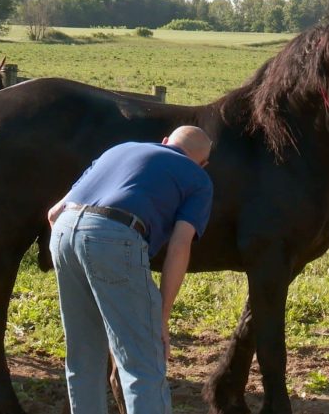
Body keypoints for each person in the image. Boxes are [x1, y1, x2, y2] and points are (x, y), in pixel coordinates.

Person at [47, 125, 213, 414]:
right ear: (203, 163)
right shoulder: (198, 178)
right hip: (115, 235)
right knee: (143, 362)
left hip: (63, 231)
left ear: (164, 142)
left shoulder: (119, 150)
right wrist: (161, 317)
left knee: (83, 357)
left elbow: (53, 212)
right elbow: (179, 246)